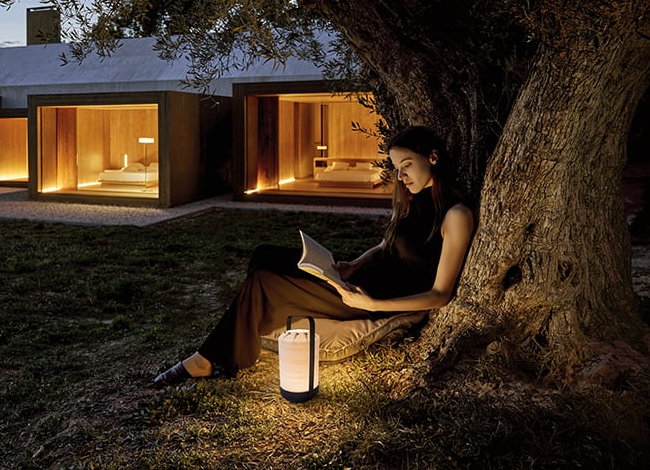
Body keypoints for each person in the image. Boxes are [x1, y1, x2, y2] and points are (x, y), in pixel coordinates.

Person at [153, 125, 475, 386]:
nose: (401, 176)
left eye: (407, 166)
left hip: (371, 299)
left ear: (432, 157)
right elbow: (384, 246)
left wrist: (373, 305)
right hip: (359, 280)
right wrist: (353, 266)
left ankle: (206, 359)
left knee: (263, 279)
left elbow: (440, 294)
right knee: (263, 254)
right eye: (396, 169)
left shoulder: (455, 216)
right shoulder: (411, 199)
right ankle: (242, 332)